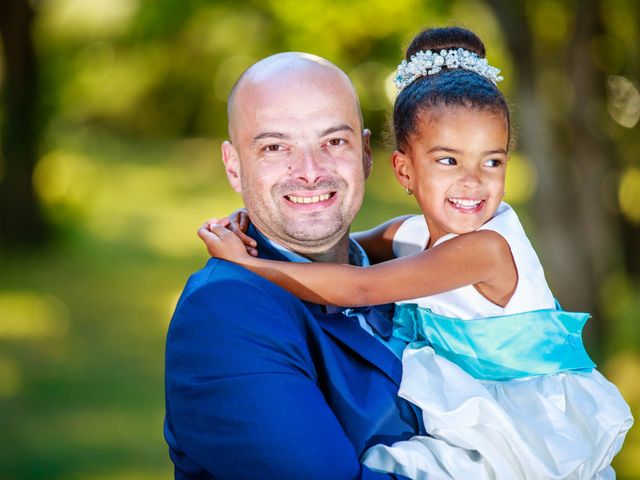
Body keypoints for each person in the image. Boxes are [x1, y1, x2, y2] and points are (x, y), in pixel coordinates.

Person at [199, 27, 633, 479]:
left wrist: (249, 263)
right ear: (404, 170)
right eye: (448, 161)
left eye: (493, 160)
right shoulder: (408, 235)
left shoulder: (487, 248)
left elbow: (361, 286)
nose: (473, 180)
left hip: (522, 423)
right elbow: (332, 248)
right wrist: (248, 221)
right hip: (474, 408)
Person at [164, 51, 425, 479]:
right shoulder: (224, 313)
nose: (309, 172)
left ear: (365, 153)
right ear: (234, 166)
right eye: (274, 146)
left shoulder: (408, 269)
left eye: (333, 142)